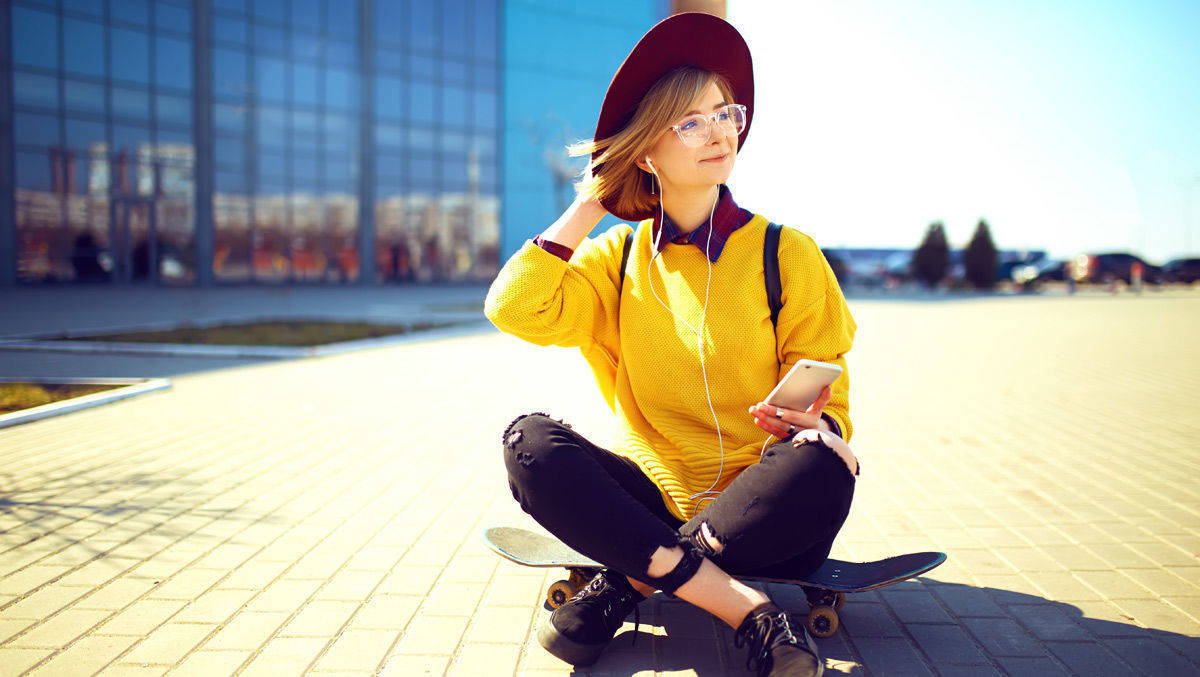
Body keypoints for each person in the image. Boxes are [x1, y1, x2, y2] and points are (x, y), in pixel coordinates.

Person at [484, 13, 858, 677]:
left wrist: (816, 424)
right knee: (527, 442)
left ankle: (626, 585)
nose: (717, 131)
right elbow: (513, 307)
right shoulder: (617, 259)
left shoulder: (785, 253)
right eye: (690, 120)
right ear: (647, 152)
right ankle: (747, 608)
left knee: (825, 460)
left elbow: (836, 406)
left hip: (763, 508)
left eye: (724, 111)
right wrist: (592, 202)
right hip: (651, 497)